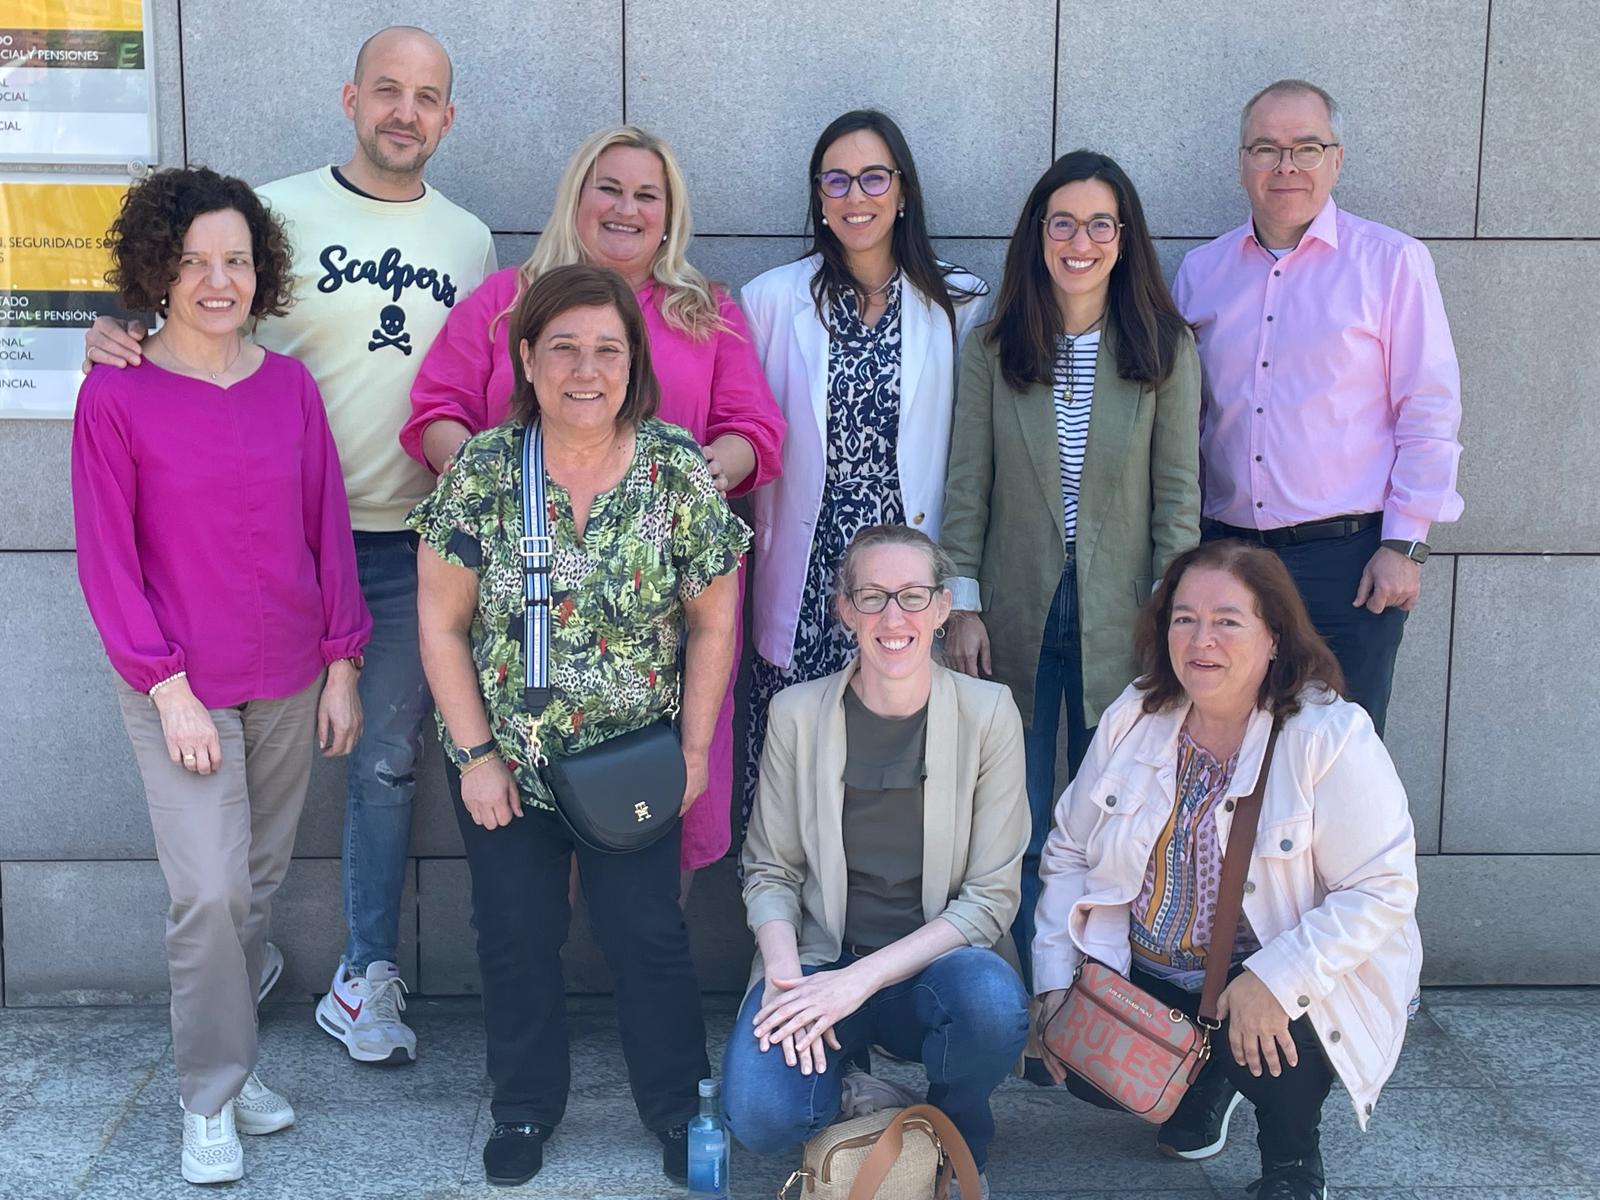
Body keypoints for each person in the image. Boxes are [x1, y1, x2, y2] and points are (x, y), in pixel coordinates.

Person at [84, 26, 496, 1064]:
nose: (406, 111)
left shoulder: (472, 241)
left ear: (449, 117)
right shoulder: (275, 210)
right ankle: (234, 968)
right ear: (351, 97)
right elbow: (183, 304)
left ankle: (362, 977)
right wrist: (113, 330)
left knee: (385, 763)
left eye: (428, 96)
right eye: (388, 90)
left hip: (405, 542)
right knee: (240, 829)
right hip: (264, 550)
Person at [410, 264, 749, 1188]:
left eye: (607, 348)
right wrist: (477, 756)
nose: (585, 369)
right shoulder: (484, 469)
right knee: (514, 932)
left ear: (634, 361)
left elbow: (715, 617)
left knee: (647, 934)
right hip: (505, 765)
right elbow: (440, 621)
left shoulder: (676, 467)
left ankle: (677, 1105)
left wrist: (693, 752)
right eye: (563, 347)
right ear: (527, 358)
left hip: (633, 761)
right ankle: (523, 1108)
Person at [72, 167, 370, 1185]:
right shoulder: (116, 392)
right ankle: (208, 1099)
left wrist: (342, 663)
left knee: (254, 893)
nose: (216, 279)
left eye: (235, 260)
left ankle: (236, 1071)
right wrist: (166, 688)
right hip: (177, 686)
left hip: (287, 674)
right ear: (158, 268)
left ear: (260, 271)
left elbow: (325, 526)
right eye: (194, 260)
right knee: (205, 893)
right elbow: (109, 559)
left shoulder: (288, 385)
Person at [401, 125, 784, 881]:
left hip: (651, 626)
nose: (626, 208)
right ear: (577, 197)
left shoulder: (703, 312)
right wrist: (493, 487)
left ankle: (642, 994)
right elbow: (434, 409)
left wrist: (706, 472)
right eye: (609, 187)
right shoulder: (506, 301)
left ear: (670, 215)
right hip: (523, 622)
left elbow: (756, 430)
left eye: (648, 195)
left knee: (649, 828)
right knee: (529, 851)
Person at [1032, 539, 1421, 1200]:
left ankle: (1293, 1162)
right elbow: (1069, 849)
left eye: (1227, 621)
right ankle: (1206, 1071)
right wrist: (1053, 981)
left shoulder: (1330, 736)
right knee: (1086, 1069)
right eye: (1184, 618)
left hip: (1268, 977)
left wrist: (1278, 978)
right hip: (1155, 969)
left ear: (1274, 637)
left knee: (1277, 1034)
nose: (1201, 639)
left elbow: (1381, 891)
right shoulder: (1136, 716)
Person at [940, 150, 1200, 996]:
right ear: (1038, 236)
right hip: (1013, 614)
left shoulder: (1166, 349)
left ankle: (1096, 998)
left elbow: (1177, 502)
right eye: (1062, 222)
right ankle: (1021, 990)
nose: (1079, 240)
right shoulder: (993, 346)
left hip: (1121, 621)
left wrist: (1175, 618)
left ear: (1122, 240)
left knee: (1110, 818)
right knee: (1011, 816)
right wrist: (964, 606)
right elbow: (966, 489)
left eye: (1098, 223)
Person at [725, 525, 1029, 1200]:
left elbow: (989, 900)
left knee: (991, 1001)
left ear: (944, 608)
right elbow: (770, 870)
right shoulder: (797, 714)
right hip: (820, 962)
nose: (894, 618)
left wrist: (857, 983)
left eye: (913, 596)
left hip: (934, 971)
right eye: (872, 597)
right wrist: (783, 979)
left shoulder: (989, 714)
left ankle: (959, 1117)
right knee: (762, 1119)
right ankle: (867, 1095)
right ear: (844, 610)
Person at [1172, 78, 1463, 736]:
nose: (1286, 166)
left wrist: (1405, 546)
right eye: (1266, 148)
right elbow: (1182, 423)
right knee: (1229, 745)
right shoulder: (1201, 272)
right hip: (1229, 558)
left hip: (1351, 564)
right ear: (1241, 161)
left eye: (1306, 147)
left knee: (1342, 760)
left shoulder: (1391, 264)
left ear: (1337, 158)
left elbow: (1430, 409)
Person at [742, 109, 993, 831]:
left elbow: (975, 461)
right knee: (795, 773)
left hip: (908, 583)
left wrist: (964, 591)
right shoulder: (770, 300)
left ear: (903, 191)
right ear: (819, 199)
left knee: (899, 768)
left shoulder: (960, 302)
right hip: (810, 574)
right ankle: (787, 936)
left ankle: (890, 940)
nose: (857, 196)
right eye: (838, 180)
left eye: (874, 177)